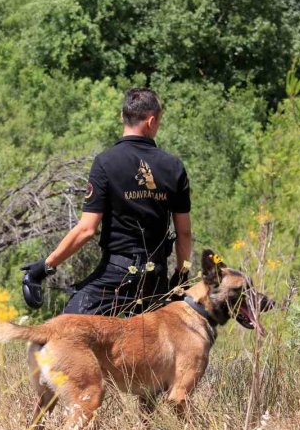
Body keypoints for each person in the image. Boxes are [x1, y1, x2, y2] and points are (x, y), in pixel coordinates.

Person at [21, 88, 192, 315]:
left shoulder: (105, 162)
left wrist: (45, 267)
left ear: (122, 117)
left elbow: (86, 230)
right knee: (150, 338)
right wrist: (181, 277)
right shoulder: (174, 166)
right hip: (155, 279)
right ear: (151, 121)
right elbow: (184, 233)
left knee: (67, 330)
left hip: (115, 274)